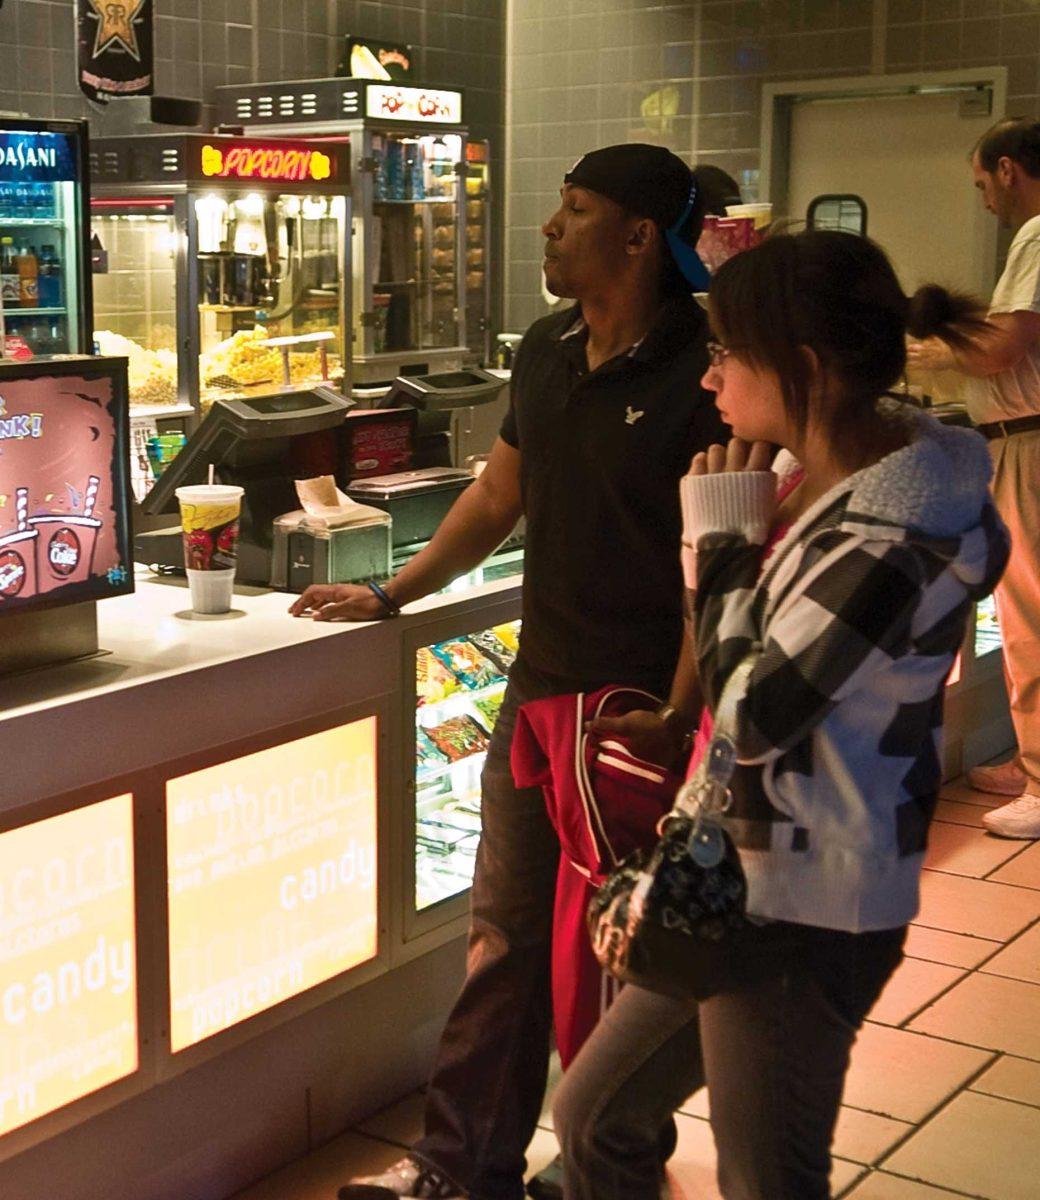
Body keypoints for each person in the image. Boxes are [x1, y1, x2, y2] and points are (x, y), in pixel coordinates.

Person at [290, 143, 729, 1200]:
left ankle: (603, 1166)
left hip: (635, 716)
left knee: (627, 950)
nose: (547, 227)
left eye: (571, 210)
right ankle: (460, 1167)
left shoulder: (704, 369)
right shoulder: (544, 348)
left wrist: (674, 712)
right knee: (503, 937)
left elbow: (713, 561)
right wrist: (396, 592)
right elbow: (498, 496)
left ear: (635, 237)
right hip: (539, 700)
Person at [552, 229, 1010, 1200]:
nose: (710, 381)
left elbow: (756, 712)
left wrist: (718, 536)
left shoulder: (892, 534)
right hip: (741, 883)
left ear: (803, 369)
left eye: (728, 353)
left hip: (806, 908)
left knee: (766, 1176)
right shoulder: (847, 482)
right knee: (594, 1113)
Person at [908, 117, 1040, 838]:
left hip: (1027, 445)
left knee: (1030, 619)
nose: (985, 196)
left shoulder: (1039, 234)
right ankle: (1031, 761)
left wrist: (938, 354)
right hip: (1021, 442)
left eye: (983, 182)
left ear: (1010, 169)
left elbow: (1008, 345)